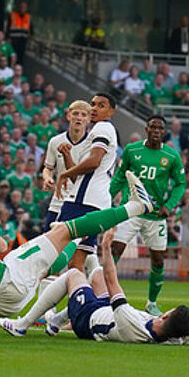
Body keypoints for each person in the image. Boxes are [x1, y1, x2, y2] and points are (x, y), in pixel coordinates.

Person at [0, 171, 155, 335]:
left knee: (54, 263)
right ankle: (137, 206)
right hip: (6, 283)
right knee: (66, 231)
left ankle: (44, 320)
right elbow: (1, 244)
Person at [4, 230, 189, 344]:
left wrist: (107, 247)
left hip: (88, 321)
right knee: (94, 274)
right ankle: (56, 320)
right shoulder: (175, 336)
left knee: (74, 275)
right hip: (103, 309)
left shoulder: (132, 322)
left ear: (166, 315)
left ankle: (23, 324)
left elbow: (113, 279)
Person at [109, 115, 186, 315]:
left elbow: (180, 183)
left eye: (160, 128)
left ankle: (152, 303)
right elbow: (119, 176)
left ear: (164, 131)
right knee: (114, 251)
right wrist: (107, 197)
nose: (156, 131)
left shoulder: (171, 156)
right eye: (153, 127)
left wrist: (169, 205)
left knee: (158, 261)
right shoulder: (131, 150)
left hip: (155, 215)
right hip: (131, 210)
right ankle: (104, 295)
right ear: (146, 129)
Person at [55, 93, 118, 273]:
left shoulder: (103, 128)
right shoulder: (98, 132)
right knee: (77, 263)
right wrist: (68, 156)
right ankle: (82, 299)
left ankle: (49, 301)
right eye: (93, 104)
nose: (94, 109)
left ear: (111, 111)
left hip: (83, 202)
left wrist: (64, 174)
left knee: (54, 254)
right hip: (93, 201)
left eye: (101, 105)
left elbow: (94, 162)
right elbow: (81, 177)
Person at [42, 100, 92, 231]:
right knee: (48, 241)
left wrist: (66, 155)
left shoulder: (92, 145)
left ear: (88, 119)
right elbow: (48, 168)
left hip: (81, 201)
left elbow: (78, 175)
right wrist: (47, 178)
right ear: (68, 116)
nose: (79, 118)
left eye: (83, 115)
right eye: (75, 113)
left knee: (75, 246)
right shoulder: (55, 141)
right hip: (58, 200)